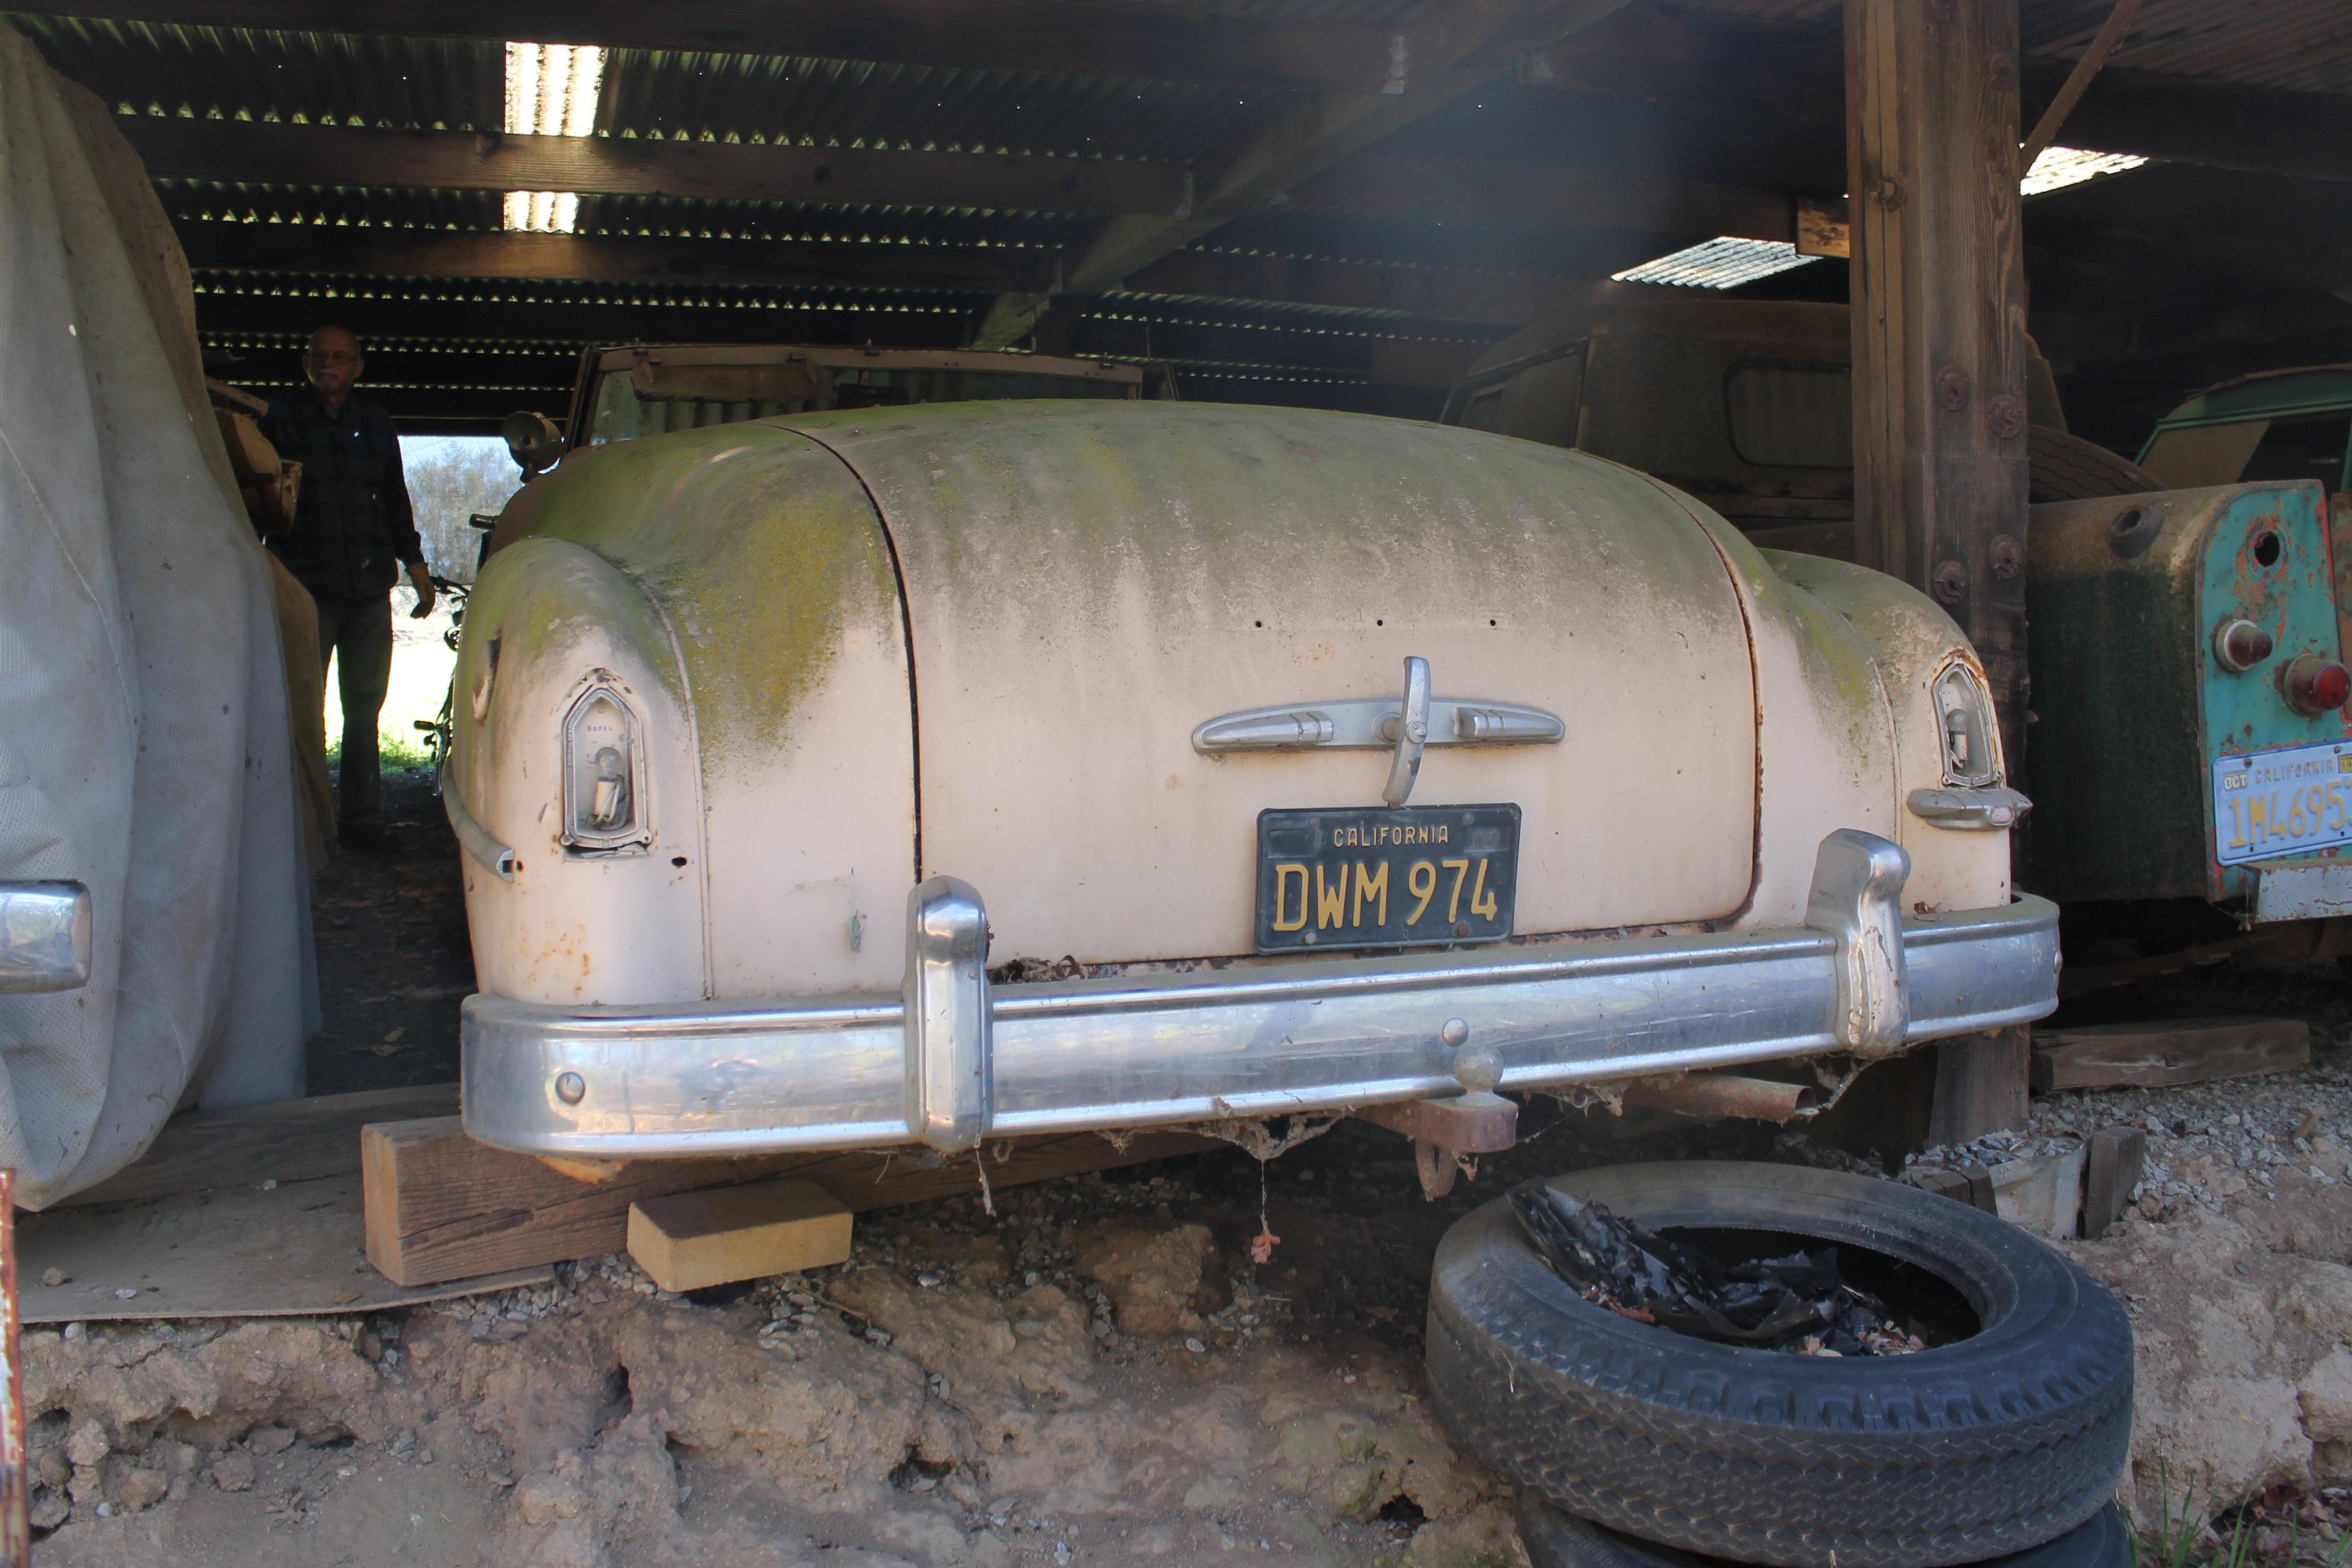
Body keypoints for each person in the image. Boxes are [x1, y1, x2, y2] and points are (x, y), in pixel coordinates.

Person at [261, 326, 434, 853]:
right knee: (300, 707)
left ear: (359, 367)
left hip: (367, 587)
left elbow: (394, 501)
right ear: (305, 362)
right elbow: (255, 499)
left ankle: (363, 819)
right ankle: (304, 824)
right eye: (320, 355)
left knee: (364, 709)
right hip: (305, 587)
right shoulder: (277, 420)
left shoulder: (374, 423)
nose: (329, 363)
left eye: (341, 357)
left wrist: (417, 564)